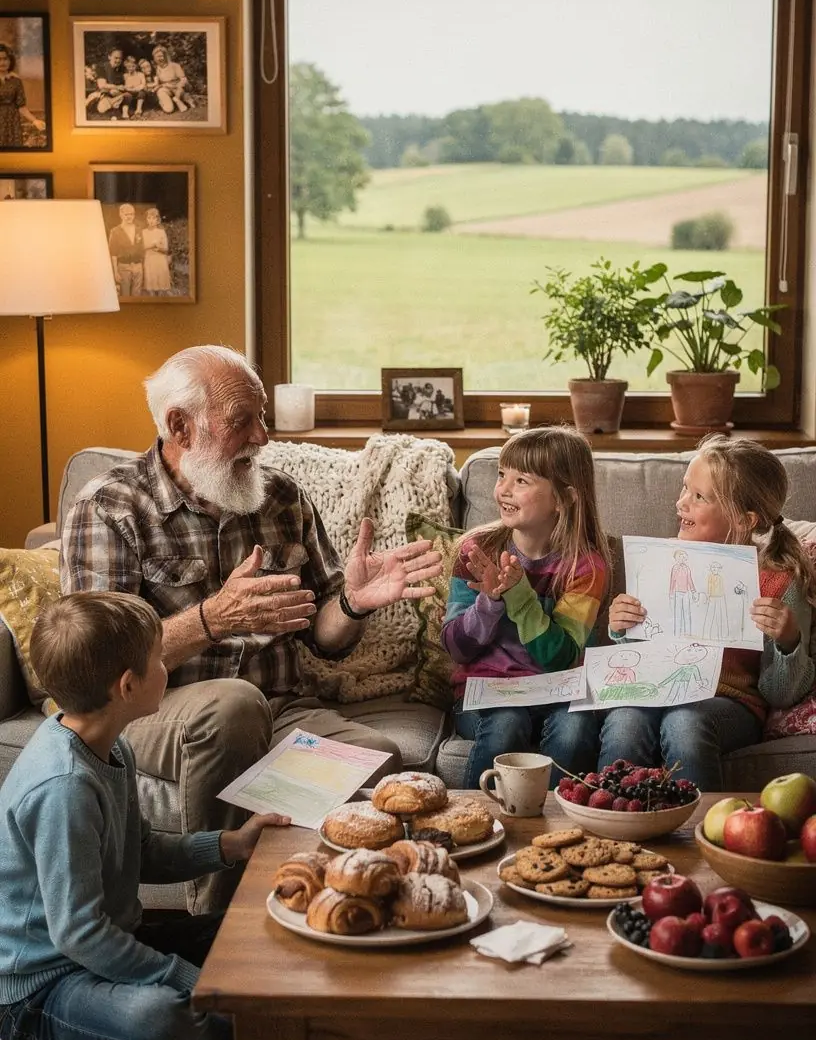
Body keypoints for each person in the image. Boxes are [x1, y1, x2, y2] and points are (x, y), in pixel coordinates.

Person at [60, 345, 442, 913]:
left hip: (280, 707)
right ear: (179, 425)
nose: (263, 436)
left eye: (262, 416)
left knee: (377, 755)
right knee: (232, 706)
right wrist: (214, 619)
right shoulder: (112, 507)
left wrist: (355, 605)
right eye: (245, 420)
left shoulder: (281, 497)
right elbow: (96, 662)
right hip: (146, 709)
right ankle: (214, 926)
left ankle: (308, 901)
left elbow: (323, 639)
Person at [0, 591, 368, 1040]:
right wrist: (182, 977)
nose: (167, 668)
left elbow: (142, 850)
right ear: (127, 686)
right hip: (42, 990)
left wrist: (228, 845)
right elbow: (78, 935)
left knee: (263, 930)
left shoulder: (111, 746)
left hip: (113, 945)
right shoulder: (64, 788)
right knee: (163, 1017)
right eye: (158, 660)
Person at [564, 435, 816, 790]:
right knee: (624, 721)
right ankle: (614, 824)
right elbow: (635, 654)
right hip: (652, 688)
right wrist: (620, 625)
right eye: (685, 489)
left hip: (729, 701)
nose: (681, 502)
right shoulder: (659, 560)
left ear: (744, 520)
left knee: (684, 723)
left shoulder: (779, 582)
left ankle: (698, 834)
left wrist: (788, 642)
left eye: (699, 497)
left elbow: (780, 695)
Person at [442, 426, 610, 789]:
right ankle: (478, 820)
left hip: (556, 692)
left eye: (521, 480)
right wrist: (488, 604)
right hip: (485, 695)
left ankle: (558, 827)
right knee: (507, 723)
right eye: (502, 474)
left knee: (576, 730)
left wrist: (519, 596)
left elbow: (561, 656)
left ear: (563, 498)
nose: (503, 489)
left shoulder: (585, 566)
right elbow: (455, 646)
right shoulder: (476, 550)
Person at [0, 42, 46, 147]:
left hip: (12, 122)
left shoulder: (16, 81)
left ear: (10, 60)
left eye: (5, 59)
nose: (2, 62)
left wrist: (35, 121)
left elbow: (21, 107)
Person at [107, 202, 144, 296]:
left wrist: (142, 267)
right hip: (123, 267)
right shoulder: (115, 231)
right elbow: (113, 254)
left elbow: (142, 250)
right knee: (125, 296)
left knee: (137, 296)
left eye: (131, 214)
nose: (129, 217)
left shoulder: (139, 229)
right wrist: (115, 272)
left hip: (138, 267)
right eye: (126, 214)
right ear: (121, 215)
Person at [141, 205, 172, 291]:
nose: (151, 221)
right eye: (149, 218)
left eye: (153, 218)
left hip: (160, 260)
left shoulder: (161, 232)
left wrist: (158, 248)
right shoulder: (144, 232)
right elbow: (142, 247)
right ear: (146, 219)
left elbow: (166, 248)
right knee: (150, 286)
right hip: (149, 260)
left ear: (158, 220)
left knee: (161, 286)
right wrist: (152, 245)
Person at [151, 45, 189, 113]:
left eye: (161, 56)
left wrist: (178, 87)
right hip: (165, 89)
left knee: (179, 91)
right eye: (157, 57)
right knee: (169, 109)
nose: (160, 59)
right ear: (155, 58)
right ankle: (164, 102)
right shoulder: (157, 69)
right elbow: (157, 83)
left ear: (165, 56)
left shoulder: (174, 66)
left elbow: (184, 79)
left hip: (177, 88)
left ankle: (176, 100)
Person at [95, 46, 127, 117]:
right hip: (104, 92)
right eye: (116, 58)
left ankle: (110, 105)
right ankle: (111, 105)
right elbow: (101, 85)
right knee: (113, 92)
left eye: (120, 58)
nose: (118, 60)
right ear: (109, 57)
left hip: (117, 93)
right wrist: (117, 87)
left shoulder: (121, 69)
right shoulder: (102, 67)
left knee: (121, 94)